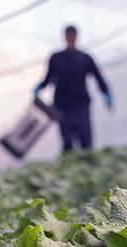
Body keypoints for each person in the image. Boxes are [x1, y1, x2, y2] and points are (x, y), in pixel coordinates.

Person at [35, 25, 112, 154]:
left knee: (86, 143)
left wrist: (106, 93)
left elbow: (98, 78)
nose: (70, 39)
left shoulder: (85, 58)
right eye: (68, 36)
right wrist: (39, 88)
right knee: (68, 143)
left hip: (81, 105)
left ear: (76, 37)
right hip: (62, 107)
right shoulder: (56, 58)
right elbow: (48, 79)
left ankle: (87, 168)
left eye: (72, 36)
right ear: (65, 37)